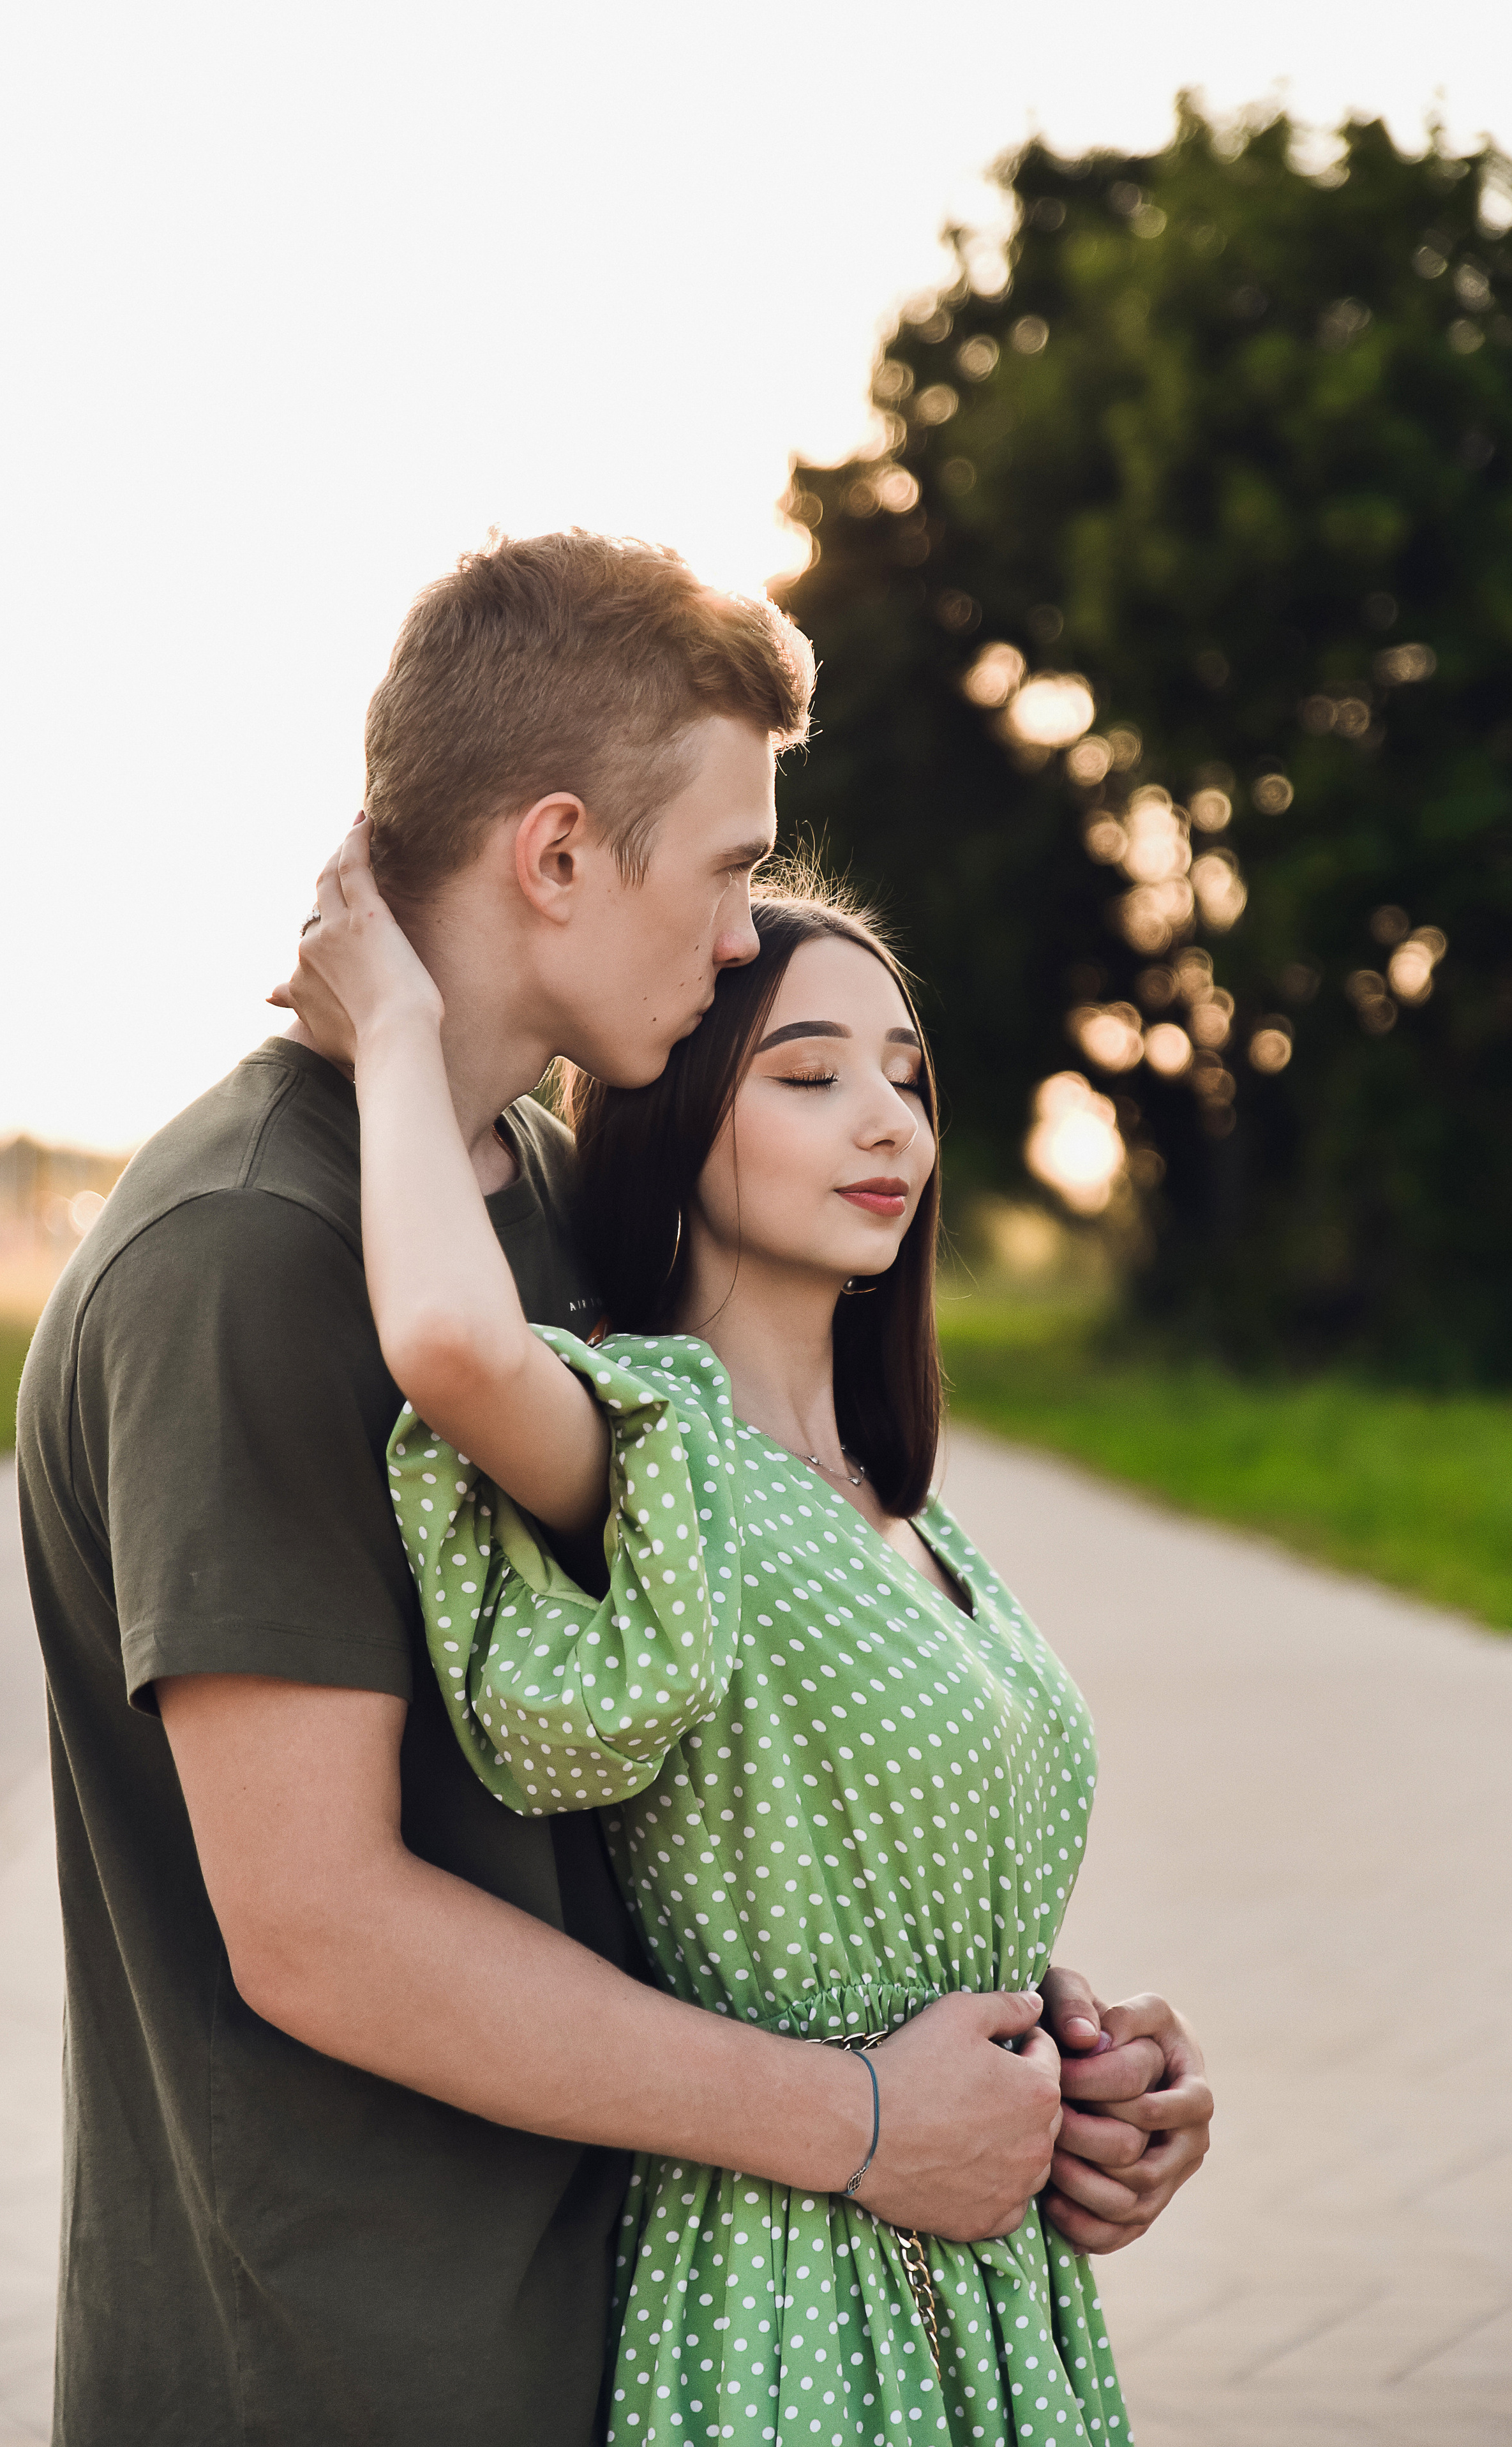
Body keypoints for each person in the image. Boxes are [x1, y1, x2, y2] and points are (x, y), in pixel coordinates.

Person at [17, 532, 1209, 2447]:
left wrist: (1042, 2073)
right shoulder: (241, 1259)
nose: (749, 934)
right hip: (344, 2372)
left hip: (635, 2325)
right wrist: (870, 2123)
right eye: (732, 868)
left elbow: (727, 1765)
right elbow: (319, 1922)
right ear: (559, 856)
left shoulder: (545, 1215)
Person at [283, 816, 1209, 2444]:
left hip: (991, 2275)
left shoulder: (904, 1512)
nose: (885, 1123)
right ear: (675, 1116)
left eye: (907, 1078)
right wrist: (400, 1034)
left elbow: (895, 1867)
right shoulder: (653, 1442)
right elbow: (442, 1337)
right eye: (806, 1076)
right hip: (786, 2288)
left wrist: (1085, 2065)